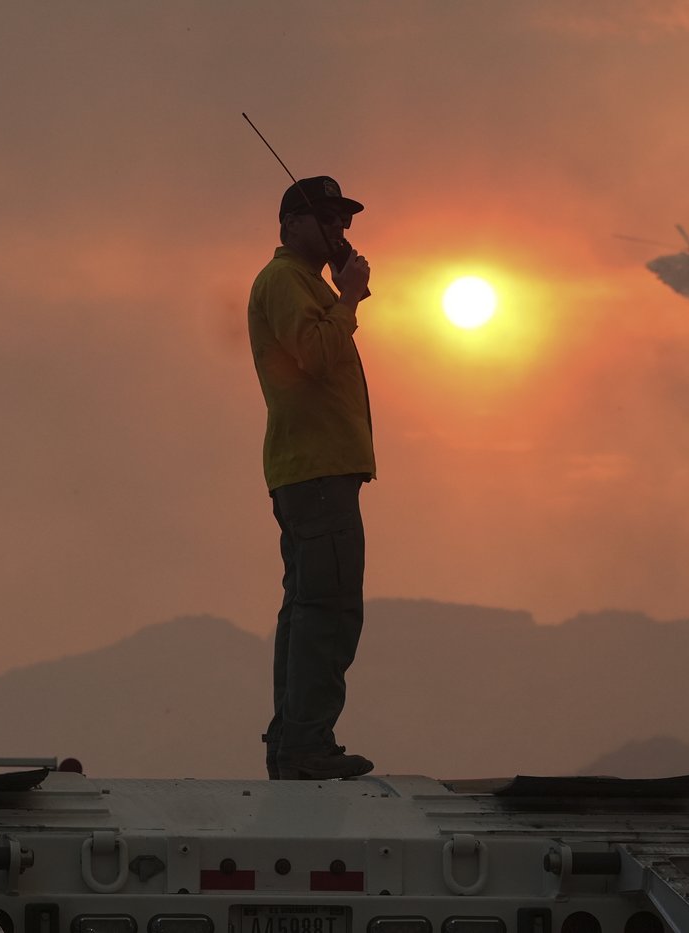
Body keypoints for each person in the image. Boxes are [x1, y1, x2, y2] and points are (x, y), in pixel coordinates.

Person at [248, 176, 375, 781]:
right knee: (329, 609)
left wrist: (341, 295)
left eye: (343, 222)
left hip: (314, 472)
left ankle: (292, 739)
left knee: (306, 608)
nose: (338, 231)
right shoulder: (285, 282)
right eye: (326, 219)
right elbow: (317, 355)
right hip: (316, 473)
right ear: (290, 224)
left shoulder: (302, 285)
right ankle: (305, 744)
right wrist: (348, 297)